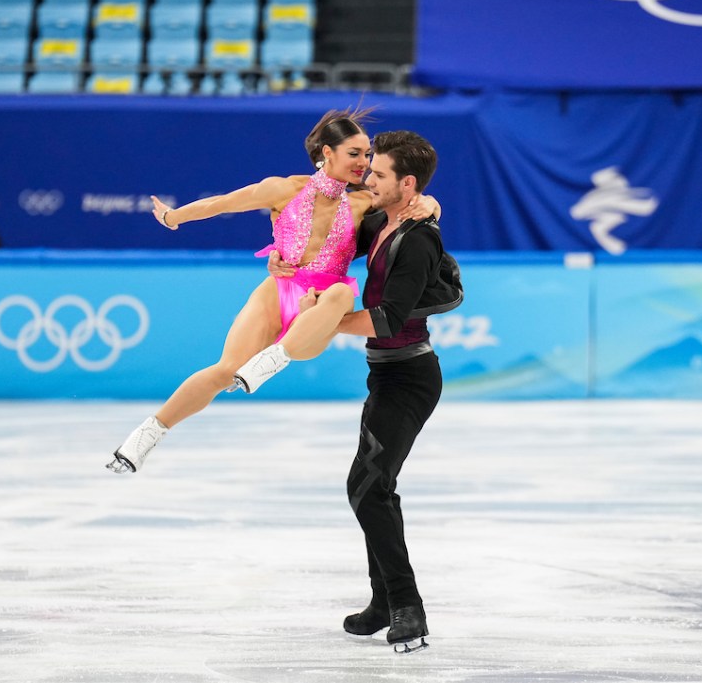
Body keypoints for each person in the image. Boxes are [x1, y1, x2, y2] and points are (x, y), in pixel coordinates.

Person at [105, 110, 440, 474]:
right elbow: (222, 203)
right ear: (327, 153)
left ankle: (275, 358)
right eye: (355, 154)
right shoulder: (283, 189)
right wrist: (173, 218)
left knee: (343, 294)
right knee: (226, 369)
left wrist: (431, 203)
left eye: (366, 154)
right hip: (279, 291)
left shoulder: (363, 201)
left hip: (320, 306)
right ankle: (145, 436)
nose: (364, 163)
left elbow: (409, 200)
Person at [253, 129, 462, 653]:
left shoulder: (417, 237)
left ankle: (406, 606)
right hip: (386, 375)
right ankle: (385, 602)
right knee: (371, 486)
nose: (368, 177)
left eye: (380, 173)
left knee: (368, 488)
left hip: (410, 377)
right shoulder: (382, 222)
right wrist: (285, 261)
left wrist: (326, 320)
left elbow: (389, 319)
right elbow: (323, 237)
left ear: (405, 183)